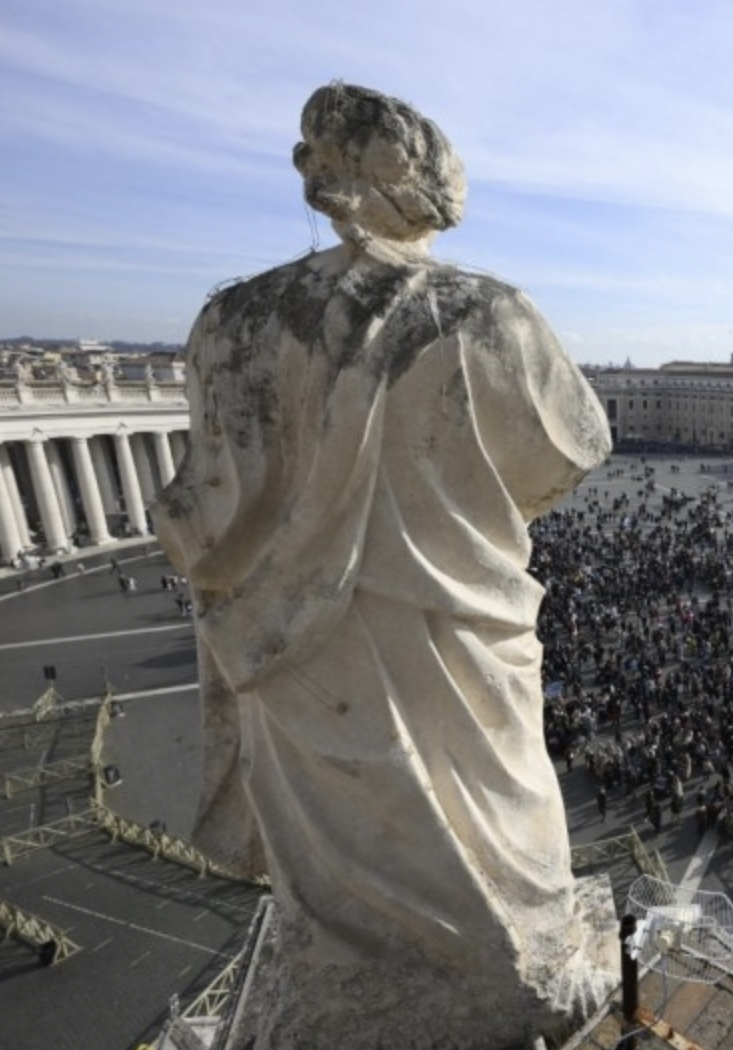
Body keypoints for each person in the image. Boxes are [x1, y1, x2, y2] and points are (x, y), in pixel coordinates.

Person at [150, 83, 614, 1040]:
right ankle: (503, 970)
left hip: (289, 646)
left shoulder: (228, 322)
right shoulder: (488, 314)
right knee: (492, 821)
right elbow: (566, 454)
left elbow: (196, 500)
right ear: (432, 185)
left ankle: (346, 986)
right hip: (451, 622)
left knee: (336, 852)